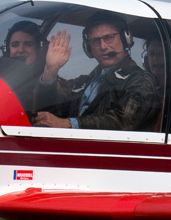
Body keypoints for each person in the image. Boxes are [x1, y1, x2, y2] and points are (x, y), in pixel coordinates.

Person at [32, 12, 160, 131]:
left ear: (125, 38)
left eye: (108, 38)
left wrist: (68, 124)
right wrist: (51, 70)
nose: (103, 46)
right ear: (88, 47)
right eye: (95, 41)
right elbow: (48, 107)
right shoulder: (85, 82)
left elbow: (123, 120)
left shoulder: (141, 81)